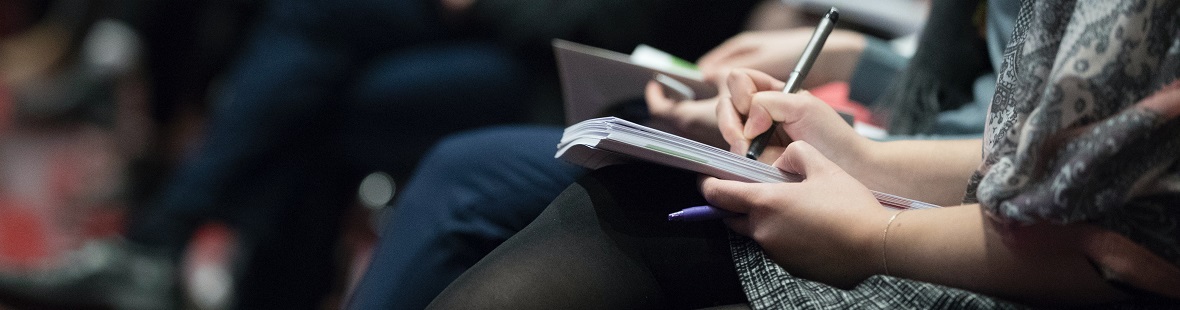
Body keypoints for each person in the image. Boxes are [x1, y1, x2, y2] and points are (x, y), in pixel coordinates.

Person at [422, 0, 1180, 308]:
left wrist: (871, 235)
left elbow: (1121, 243)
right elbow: (1025, 156)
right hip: (944, 179)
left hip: (1014, 268)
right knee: (592, 190)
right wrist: (858, 156)